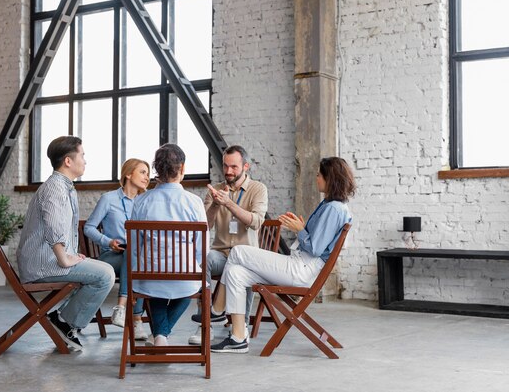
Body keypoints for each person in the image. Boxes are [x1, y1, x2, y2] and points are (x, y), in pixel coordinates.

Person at [210, 156, 355, 353]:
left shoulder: (334, 209)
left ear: (331, 178)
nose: (316, 178)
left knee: (237, 252)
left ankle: (216, 311)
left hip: (301, 269)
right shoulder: (330, 205)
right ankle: (238, 338)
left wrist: (299, 230)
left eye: (320, 175)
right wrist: (303, 227)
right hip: (299, 264)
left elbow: (316, 249)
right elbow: (318, 240)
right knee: (235, 272)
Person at [16, 136, 115, 351]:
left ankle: (64, 319)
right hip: (43, 266)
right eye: (82, 155)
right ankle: (65, 322)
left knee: (104, 269)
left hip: (50, 260)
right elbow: (54, 227)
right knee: (105, 275)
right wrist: (64, 258)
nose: (85, 160)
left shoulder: (64, 187)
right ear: (68, 161)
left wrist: (72, 255)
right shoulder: (54, 189)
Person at [187, 145, 268, 345]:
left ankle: (242, 326)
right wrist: (215, 204)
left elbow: (256, 221)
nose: (228, 171)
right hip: (220, 254)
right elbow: (205, 226)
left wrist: (230, 203)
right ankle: (206, 322)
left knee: (243, 268)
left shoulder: (258, 189)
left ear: (246, 166)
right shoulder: (215, 190)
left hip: (246, 257)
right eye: (225, 166)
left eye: (234, 167)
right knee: (204, 260)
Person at [130, 143, 209, 346]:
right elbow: (202, 248)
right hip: (185, 275)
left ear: (157, 169)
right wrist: (195, 265)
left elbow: (136, 245)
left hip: (149, 275)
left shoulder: (141, 201)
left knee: (155, 288)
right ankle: (162, 334)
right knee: (195, 285)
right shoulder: (193, 202)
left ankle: (160, 335)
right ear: (182, 168)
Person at [84, 158, 150, 340]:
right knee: (136, 259)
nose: (147, 177)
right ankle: (136, 319)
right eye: (143, 172)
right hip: (110, 257)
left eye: (148, 173)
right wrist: (107, 241)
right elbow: (88, 228)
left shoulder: (146, 201)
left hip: (134, 256)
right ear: (128, 174)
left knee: (135, 254)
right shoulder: (109, 199)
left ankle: (121, 308)